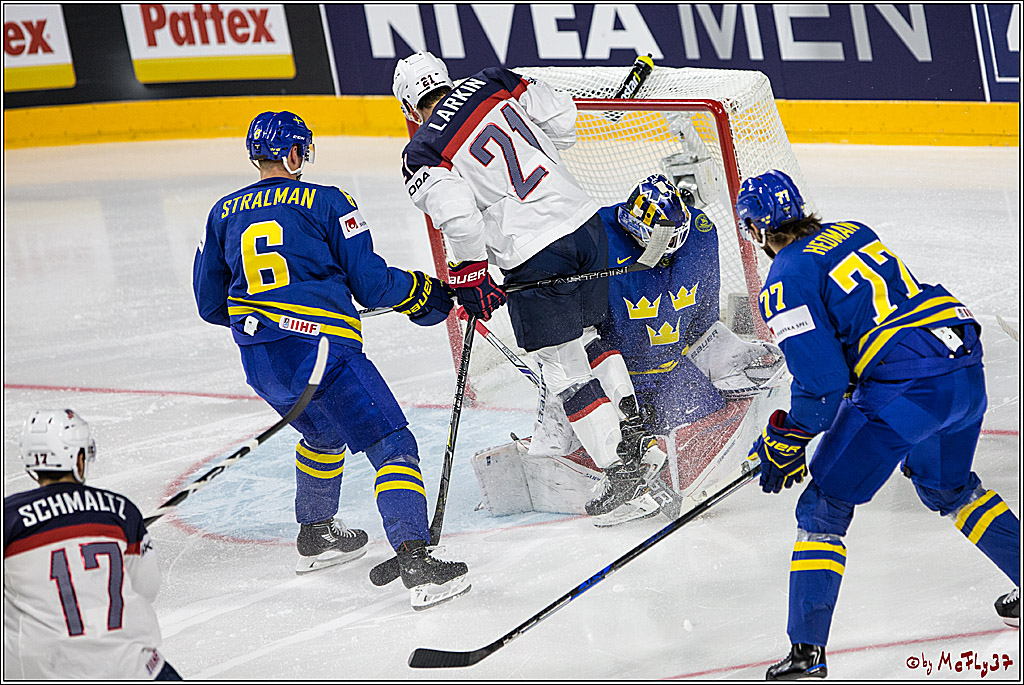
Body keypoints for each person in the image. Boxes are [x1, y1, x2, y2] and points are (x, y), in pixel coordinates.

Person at [735, 170, 1021, 679]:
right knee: (949, 488)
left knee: (823, 507)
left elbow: (823, 385)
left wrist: (787, 435)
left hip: (908, 388)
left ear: (755, 229)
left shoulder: (784, 278)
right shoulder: (852, 230)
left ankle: (807, 655)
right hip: (963, 367)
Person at [192, 111, 469, 610]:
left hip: (262, 363)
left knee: (322, 433)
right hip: (324, 354)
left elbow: (211, 305)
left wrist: (270, 315)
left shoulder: (222, 212)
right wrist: (422, 293)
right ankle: (417, 561)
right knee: (392, 444)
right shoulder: (327, 200)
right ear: (294, 153)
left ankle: (317, 533)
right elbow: (372, 285)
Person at [394, 51, 667, 527]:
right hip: (585, 224)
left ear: (407, 106)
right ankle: (636, 432)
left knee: (561, 367)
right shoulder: (492, 79)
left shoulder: (421, 150)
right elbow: (563, 121)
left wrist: (471, 273)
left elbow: (458, 217)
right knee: (589, 335)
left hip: (535, 252)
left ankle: (625, 476)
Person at [472, 175, 785, 516]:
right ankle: (608, 459)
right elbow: (581, 336)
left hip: (670, 370)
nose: (669, 247)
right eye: (662, 239)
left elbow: (702, 322)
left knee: (708, 419)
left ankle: (632, 448)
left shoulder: (699, 233)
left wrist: (724, 351)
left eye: (675, 237)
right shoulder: (592, 236)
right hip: (610, 372)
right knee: (570, 374)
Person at [4, 409, 181, 680]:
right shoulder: (121, 511)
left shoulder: (9, 518)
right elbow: (146, 587)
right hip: (130, 669)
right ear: (78, 458)